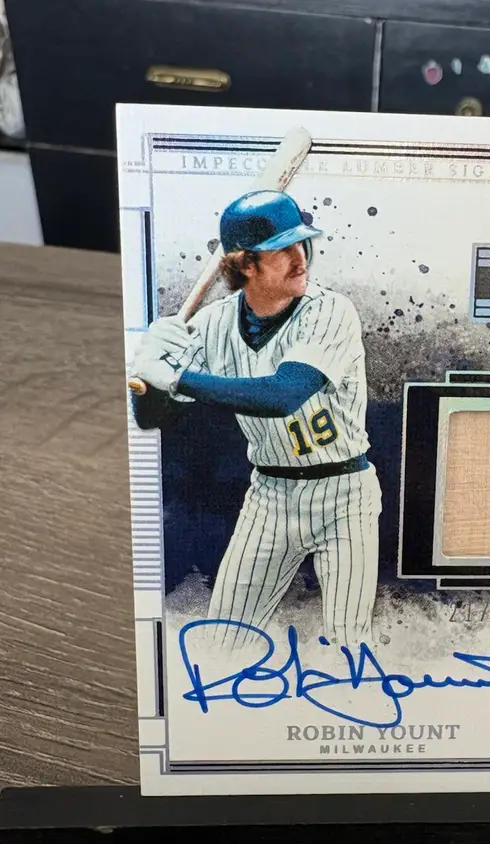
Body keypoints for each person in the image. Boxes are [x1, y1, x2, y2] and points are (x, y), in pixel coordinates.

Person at [131, 189, 381, 650]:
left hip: (345, 493)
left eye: (301, 243)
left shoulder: (330, 311)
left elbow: (283, 395)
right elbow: (153, 419)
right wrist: (149, 372)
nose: (300, 258)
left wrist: (178, 377)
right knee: (225, 639)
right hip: (270, 495)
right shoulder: (211, 325)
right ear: (246, 264)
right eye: (283, 249)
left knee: (349, 642)